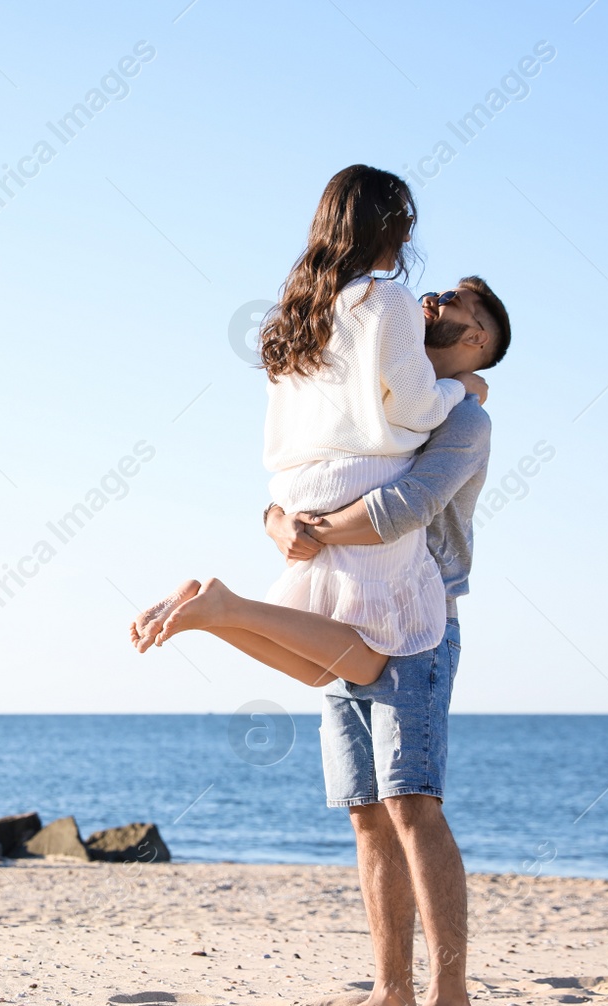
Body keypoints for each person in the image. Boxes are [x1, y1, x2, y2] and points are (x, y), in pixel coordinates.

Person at [130, 164, 484, 689]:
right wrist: (463, 389)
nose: (410, 233)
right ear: (384, 225)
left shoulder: (298, 314)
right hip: (363, 482)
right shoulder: (386, 300)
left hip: (299, 490)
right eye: (406, 219)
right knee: (376, 653)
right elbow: (418, 409)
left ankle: (213, 611)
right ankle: (227, 603)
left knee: (321, 669)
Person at [268, 276, 508, 1006]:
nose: (436, 295)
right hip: (344, 607)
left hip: (419, 624)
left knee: (413, 802)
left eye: (461, 301)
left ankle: (451, 994)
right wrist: (277, 517)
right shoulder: (376, 397)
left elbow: (404, 509)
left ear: (478, 342)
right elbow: (307, 466)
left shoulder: (464, 420)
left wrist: (310, 530)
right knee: (367, 811)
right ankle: (391, 986)